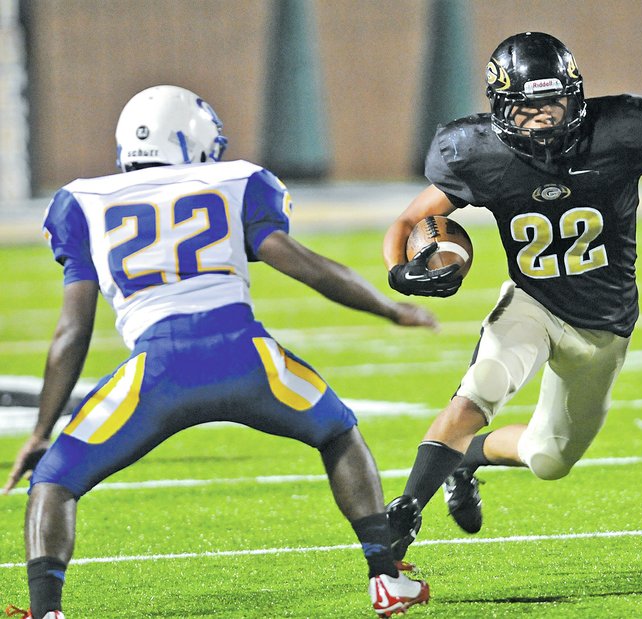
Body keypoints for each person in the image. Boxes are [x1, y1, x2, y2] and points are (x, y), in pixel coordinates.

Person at [2, 85, 431, 619]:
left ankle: (47, 612)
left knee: (54, 482)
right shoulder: (237, 180)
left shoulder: (83, 201)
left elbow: (72, 331)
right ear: (194, 139)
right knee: (338, 431)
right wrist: (390, 310)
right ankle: (385, 579)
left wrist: (41, 433)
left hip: (155, 373)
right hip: (247, 358)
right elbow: (303, 264)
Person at [382, 32, 642, 558]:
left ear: (573, 97)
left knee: (549, 458)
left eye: (550, 104)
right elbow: (408, 220)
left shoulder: (623, 131)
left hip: (605, 324)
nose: (541, 119)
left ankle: (468, 459)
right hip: (533, 303)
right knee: (481, 387)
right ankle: (405, 511)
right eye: (526, 108)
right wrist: (400, 272)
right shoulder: (477, 152)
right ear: (501, 108)